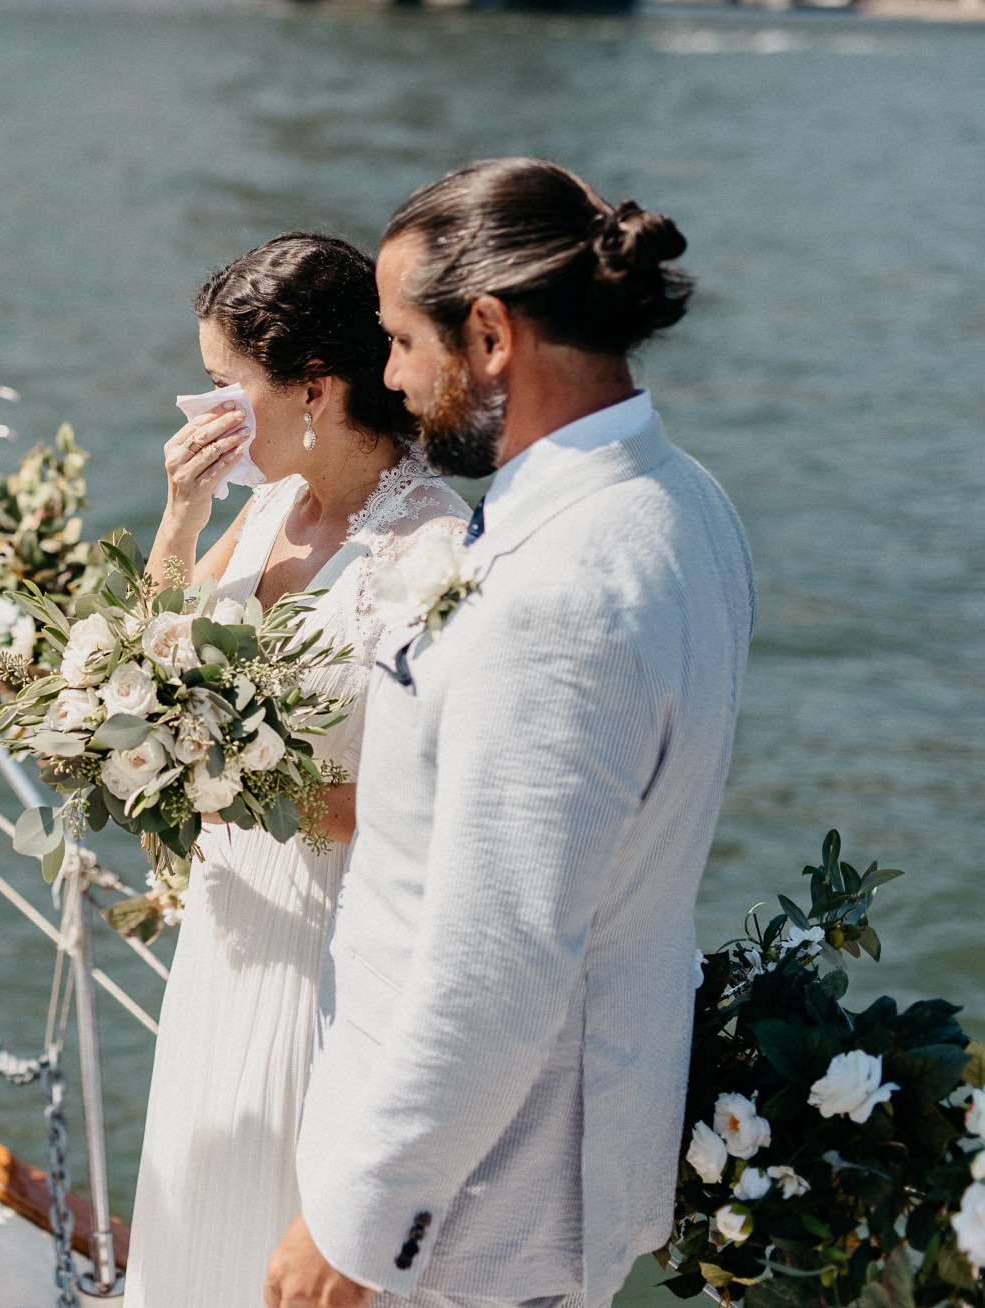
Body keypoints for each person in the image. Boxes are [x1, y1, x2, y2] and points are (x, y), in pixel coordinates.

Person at [265, 159, 754, 1308]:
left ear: (488, 334)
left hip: (475, 1223)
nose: (388, 376)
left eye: (397, 341)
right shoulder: (687, 500)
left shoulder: (559, 590)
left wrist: (359, 1225)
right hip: (551, 1169)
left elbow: (500, 961)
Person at [126, 232, 469, 1308]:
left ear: (314, 389)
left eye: (227, 385)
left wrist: (246, 791)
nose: (207, 411)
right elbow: (150, 659)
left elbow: (442, 812)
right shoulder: (269, 505)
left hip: (329, 942)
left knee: (280, 1226)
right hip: (229, 926)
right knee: (200, 1205)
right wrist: (181, 516)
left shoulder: (433, 555)